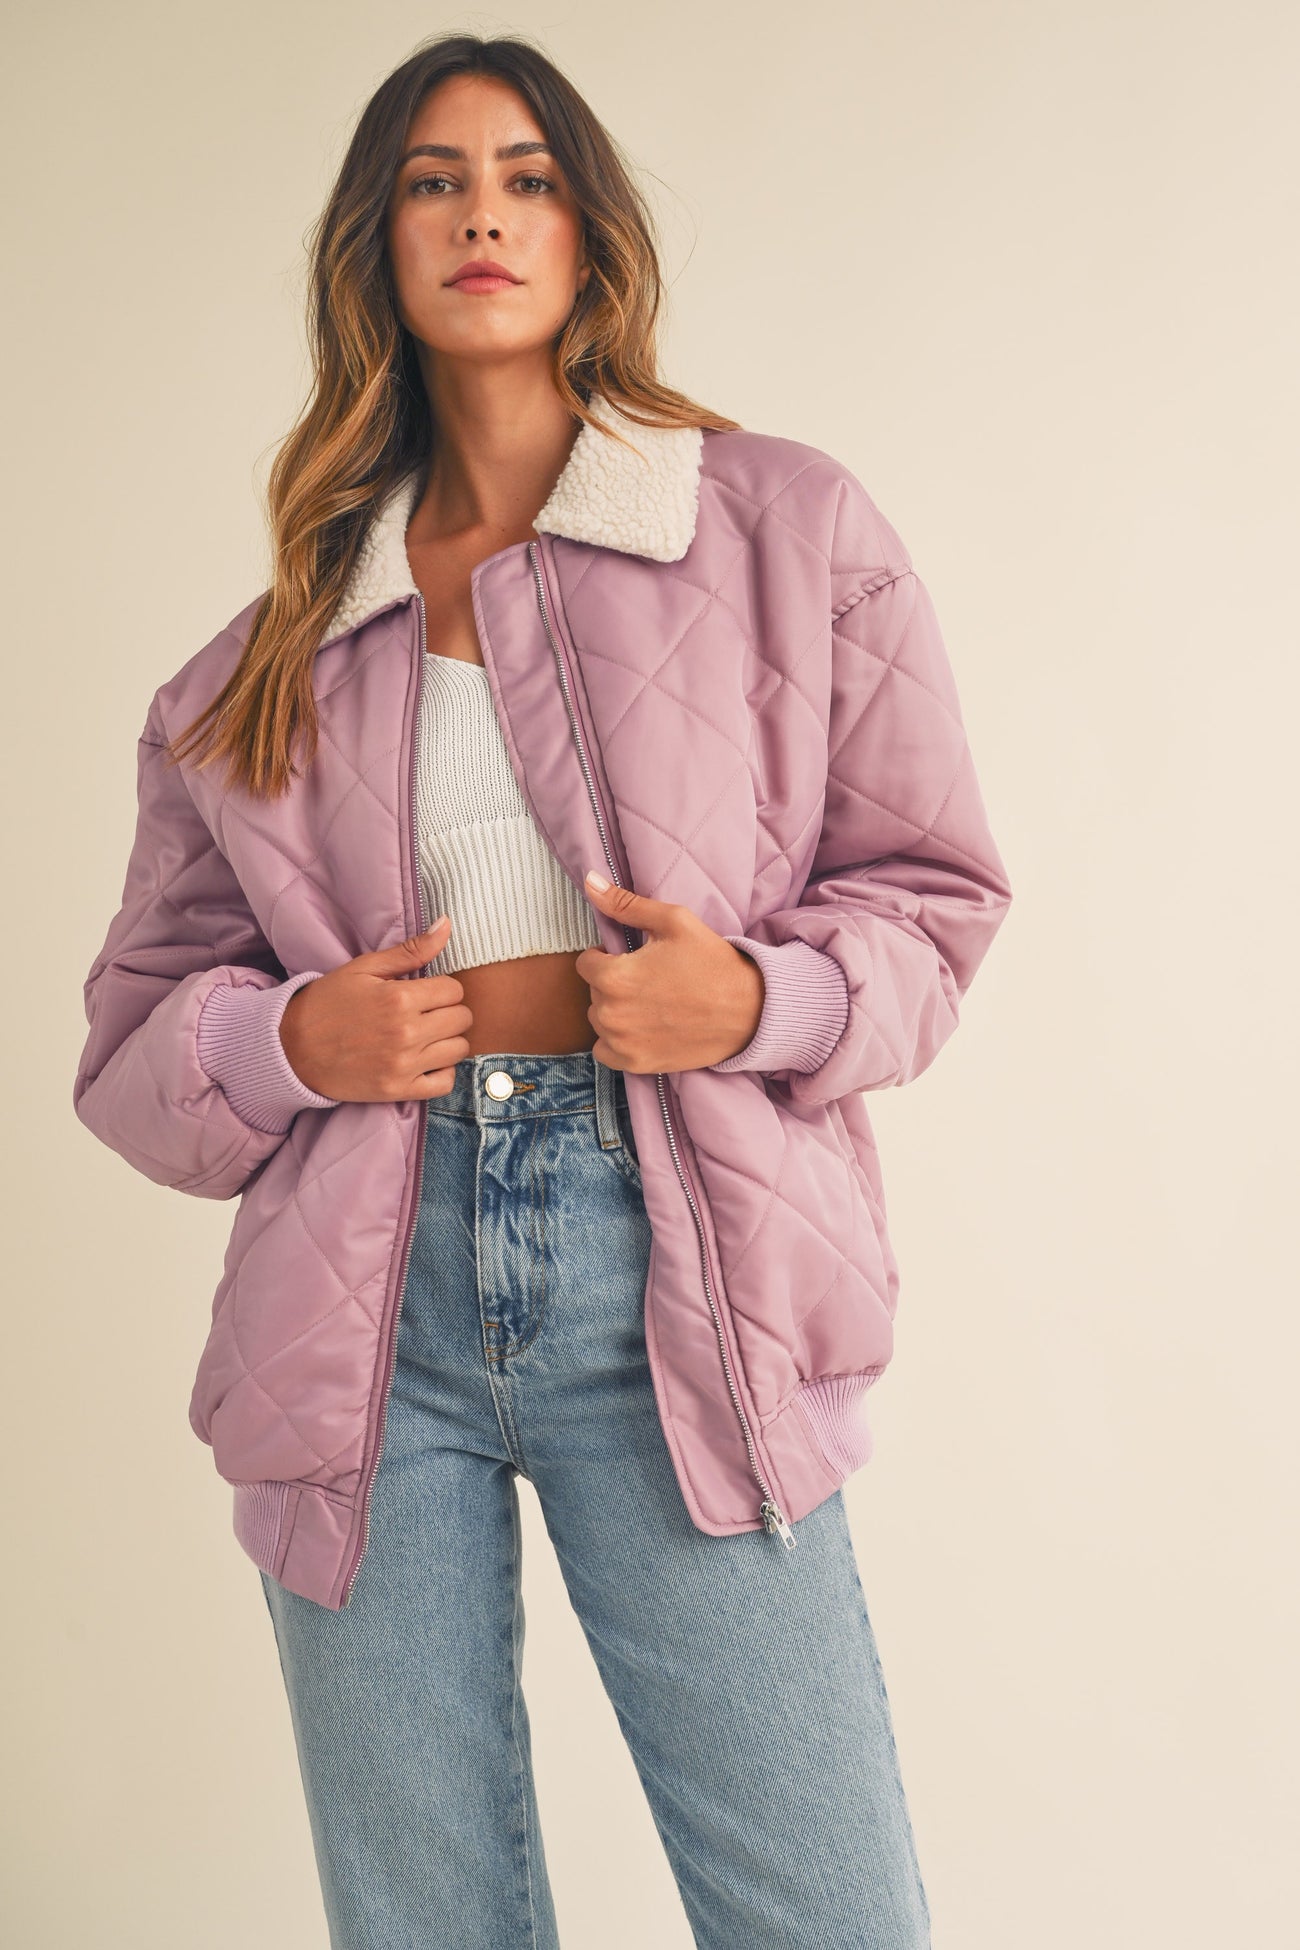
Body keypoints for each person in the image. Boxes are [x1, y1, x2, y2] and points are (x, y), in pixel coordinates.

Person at [73, 31, 1013, 1950]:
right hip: (361, 1304)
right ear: (378, 243)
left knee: (824, 1913)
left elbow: (936, 899)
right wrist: (288, 1041)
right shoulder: (260, 661)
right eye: (433, 181)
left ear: (590, 234)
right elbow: (131, 1051)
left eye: (526, 176)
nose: (481, 214)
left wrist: (757, 1004)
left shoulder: (784, 529)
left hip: (676, 1264)